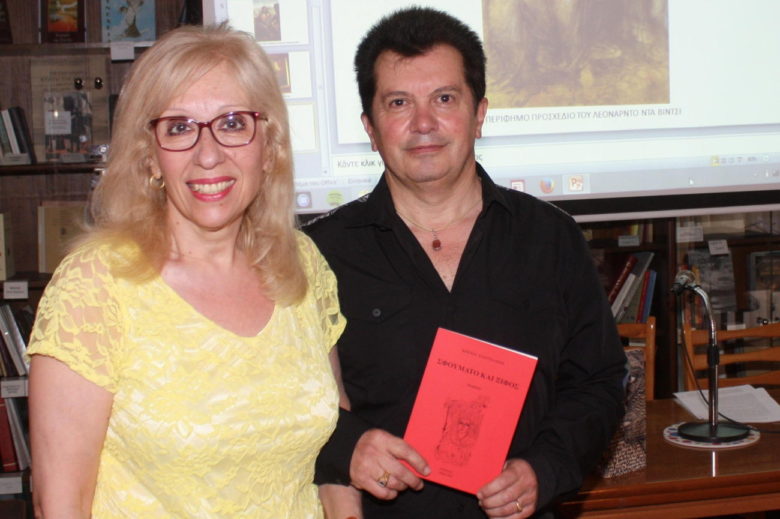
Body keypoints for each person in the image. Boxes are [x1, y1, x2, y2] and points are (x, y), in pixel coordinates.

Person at [305, 7, 626, 518]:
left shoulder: (551, 238)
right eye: (398, 103)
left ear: (479, 114)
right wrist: (347, 446)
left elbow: (598, 382)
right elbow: (285, 399)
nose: (423, 123)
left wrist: (543, 469)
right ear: (370, 127)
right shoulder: (318, 254)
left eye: (445, 99)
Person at [28, 24, 350, 519]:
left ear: (270, 147)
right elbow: (61, 505)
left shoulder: (302, 263)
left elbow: (335, 449)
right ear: (150, 157)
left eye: (233, 123)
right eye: (179, 128)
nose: (208, 154)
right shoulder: (94, 287)